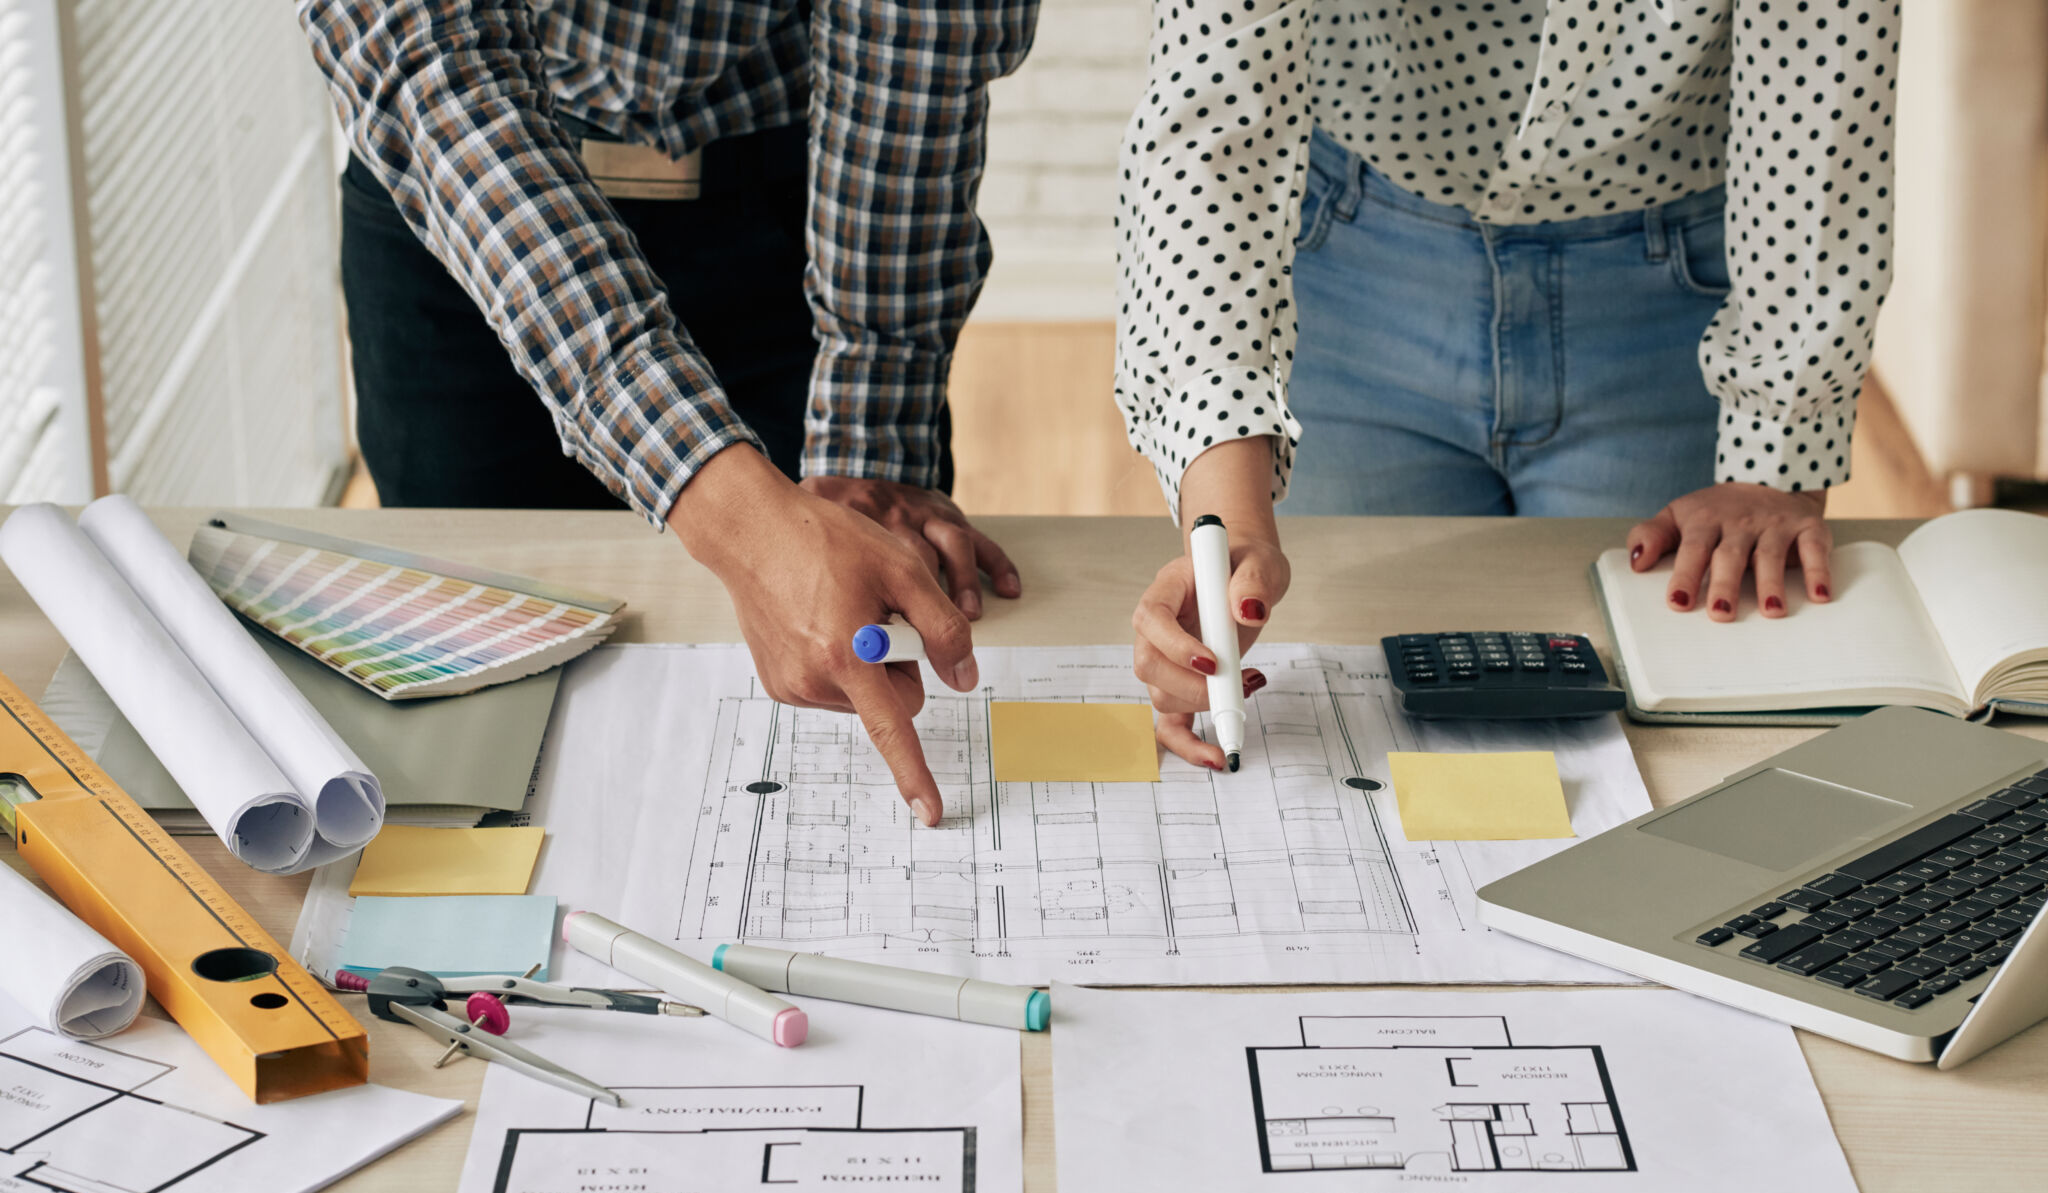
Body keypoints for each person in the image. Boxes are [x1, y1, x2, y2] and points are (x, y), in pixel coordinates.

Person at [298, 0, 1037, 825]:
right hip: (470, 195)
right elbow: (423, 48)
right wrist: (736, 514)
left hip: (810, 201)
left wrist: (868, 440)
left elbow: (916, 37)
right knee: (467, 705)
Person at [1119, 1, 1900, 758]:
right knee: (1365, 720)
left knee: (1666, 739)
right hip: (1356, 268)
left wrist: (1774, 454)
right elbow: (1211, 110)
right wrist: (1231, 521)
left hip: (1672, 303)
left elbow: (1821, 88)